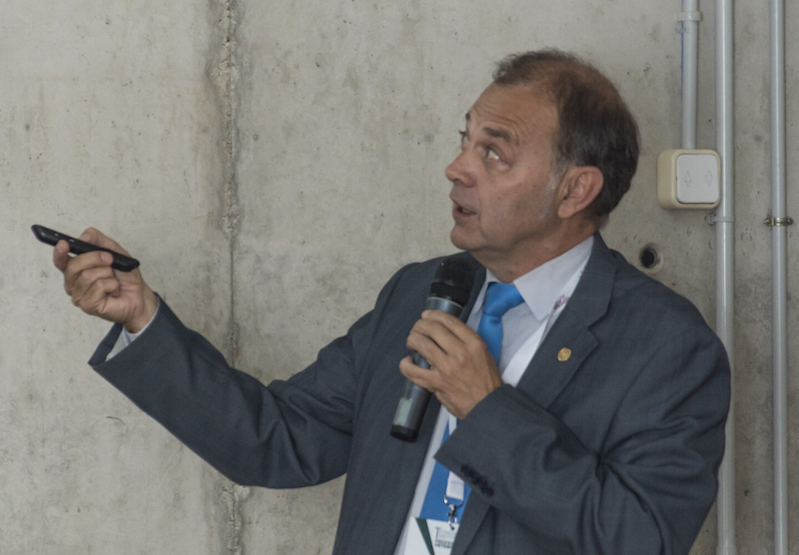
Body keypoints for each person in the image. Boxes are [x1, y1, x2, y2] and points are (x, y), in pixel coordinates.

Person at [53, 50, 730, 555]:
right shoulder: (425, 291)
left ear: (576, 190)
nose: (457, 167)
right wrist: (141, 317)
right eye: (464, 139)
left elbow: (638, 535)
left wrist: (487, 408)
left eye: (494, 155)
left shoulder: (668, 347)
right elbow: (279, 439)